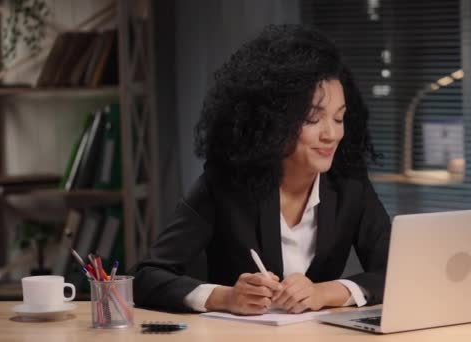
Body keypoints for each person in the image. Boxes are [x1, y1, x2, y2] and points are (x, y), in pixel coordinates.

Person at [133, 24, 391, 315]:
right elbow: (147, 277)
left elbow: (396, 271)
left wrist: (325, 291)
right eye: (312, 119)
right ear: (271, 122)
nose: (331, 134)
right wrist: (226, 297)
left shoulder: (350, 185)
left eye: (339, 118)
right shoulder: (223, 186)